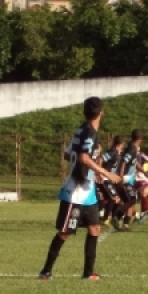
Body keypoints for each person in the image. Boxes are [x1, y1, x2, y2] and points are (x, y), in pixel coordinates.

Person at [39, 97, 121, 281]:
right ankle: (45, 271)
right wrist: (106, 173)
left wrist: (91, 170)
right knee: (65, 232)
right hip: (75, 192)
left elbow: (68, 155)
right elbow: (83, 158)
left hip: (88, 191)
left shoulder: (81, 130)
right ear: (101, 113)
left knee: (95, 229)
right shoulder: (90, 133)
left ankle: (88, 273)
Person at [113, 129, 143, 232]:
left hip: (129, 179)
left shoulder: (132, 147)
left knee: (129, 201)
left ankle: (125, 224)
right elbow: (123, 163)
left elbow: (133, 162)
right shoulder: (132, 149)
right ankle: (117, 216)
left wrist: (145, 172)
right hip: (125, 178)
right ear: (140, 139)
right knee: (132, 200)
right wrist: (121, 178)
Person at [97, 136, 125, 228]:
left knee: (117, 199)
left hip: (109, 178)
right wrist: (100, 173)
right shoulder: (112, 152)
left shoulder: (117, 153)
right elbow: (101, 159)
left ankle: (111, 218)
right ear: (121, 144)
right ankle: (105, 219)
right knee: (113, 198)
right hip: (104, 178)